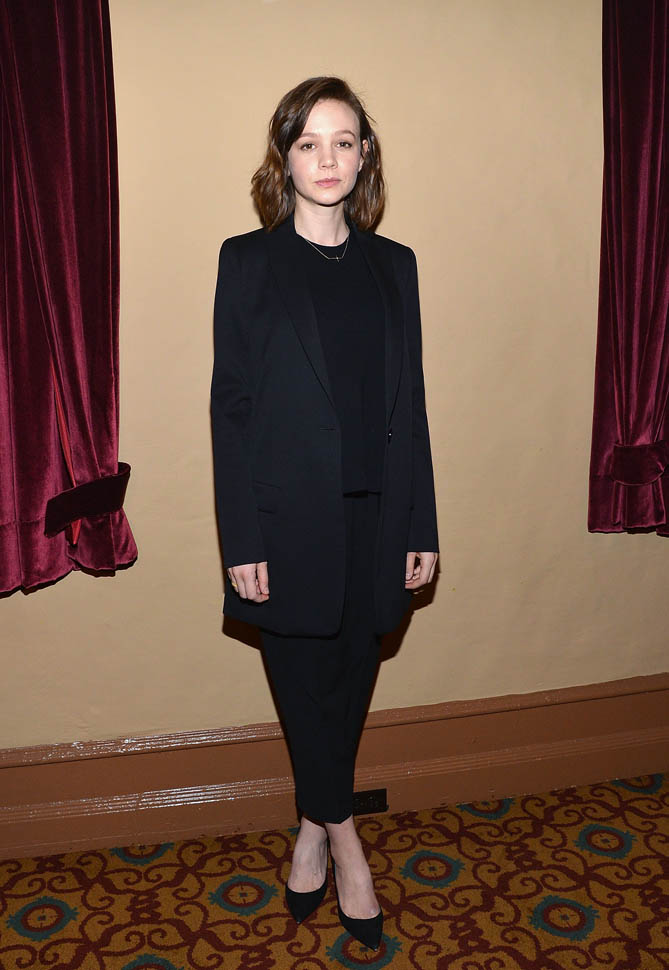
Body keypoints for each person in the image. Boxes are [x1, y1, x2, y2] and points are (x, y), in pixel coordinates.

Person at [210, 76, 439, 951]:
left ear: (364, 155)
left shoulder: (395, 264)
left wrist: (421, 524)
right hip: (284, 521)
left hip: (379, 515)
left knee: (348, 683)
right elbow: (230, 407)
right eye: (308, 142)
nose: (327, 158)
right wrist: (241, 536)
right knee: (303, 685)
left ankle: (310, 826)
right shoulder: (247, 260)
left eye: (343, 141)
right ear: (285, 157)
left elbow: (411, 402)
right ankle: (345, 843)